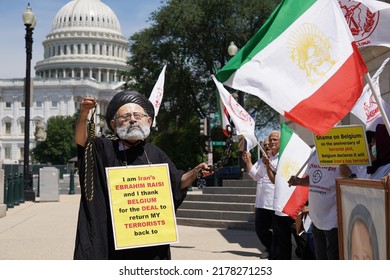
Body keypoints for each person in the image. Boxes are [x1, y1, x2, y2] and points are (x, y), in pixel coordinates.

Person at [73, 91, 212, 260]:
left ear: (149, 121)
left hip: (148, 242)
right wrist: (84, 114)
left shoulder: (155, 153)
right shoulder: (103, 148)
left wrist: (195, 172)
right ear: (114, 124)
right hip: (111, 241)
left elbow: (176, 181)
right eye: (125, 116)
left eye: (138, 115)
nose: (132, 120)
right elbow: (82, 141)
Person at [288, 151, 353, 260]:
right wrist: (300, 181)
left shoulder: (343, 150)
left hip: (334, 220)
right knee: (321, 257)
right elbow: (311, 179)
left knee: (333, 257)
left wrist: (347, 173)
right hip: (316, 219)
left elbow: (351, 180)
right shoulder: (314, 152)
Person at [242, 138, 274, 259]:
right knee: (260, 229)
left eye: (269, 144)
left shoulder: (279, 159)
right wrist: (248, 160)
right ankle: (270, 248)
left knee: (280, 230)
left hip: (276, 202)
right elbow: (254, 175)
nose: (267, 146)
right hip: (262, 202)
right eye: (264, 145)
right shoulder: (261, 161)